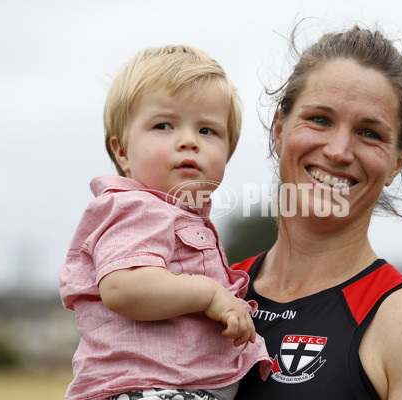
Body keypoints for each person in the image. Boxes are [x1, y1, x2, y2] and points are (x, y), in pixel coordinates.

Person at [231, 24, 402, 399]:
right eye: (320, 120)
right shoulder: (215, 289)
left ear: (397, 163)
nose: (339, 150)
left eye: (369, 133)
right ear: (278, 131)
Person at [59, 45, 271, 400]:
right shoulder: (137, 208)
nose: (188, 141)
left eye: (207, 131)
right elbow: (123, 287)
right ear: (122, 152)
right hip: (145, 389)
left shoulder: (181, 215)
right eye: (164, 125)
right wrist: (209, 294)